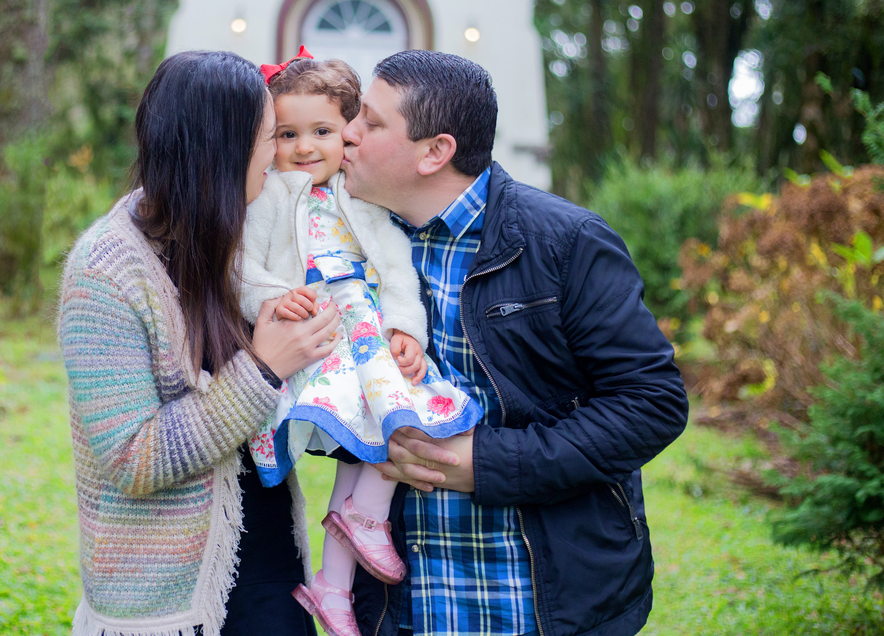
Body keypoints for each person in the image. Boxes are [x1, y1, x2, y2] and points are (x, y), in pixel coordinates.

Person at [338, 50, 690, 636]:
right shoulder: (355, 245)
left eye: (370, 123)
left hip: (544, 603)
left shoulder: (566, 242)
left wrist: (488, 464)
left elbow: (651, 403)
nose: (347, 133)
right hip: (405, 606)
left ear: (435, 152)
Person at [58, 50, 341, 636]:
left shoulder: (235, 233)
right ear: (223, 152)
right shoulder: (105, 274)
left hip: (265, 560)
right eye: (270, 137)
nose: (281, 154)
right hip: (163, 594)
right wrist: (263, 369)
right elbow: (133, 458)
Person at [239, 51, 482, 636]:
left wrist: (407, 329)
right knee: (381, 424)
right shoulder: (269, 197)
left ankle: (334, 585)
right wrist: (273, 298)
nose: (303, 147)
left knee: (396, 416)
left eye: (321, 131)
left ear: (346, 132)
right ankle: (359, 528)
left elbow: (396, 266)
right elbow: (241, 269)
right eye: (287, 134)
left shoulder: (358, 194)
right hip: (314, 333)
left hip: (366, 329)